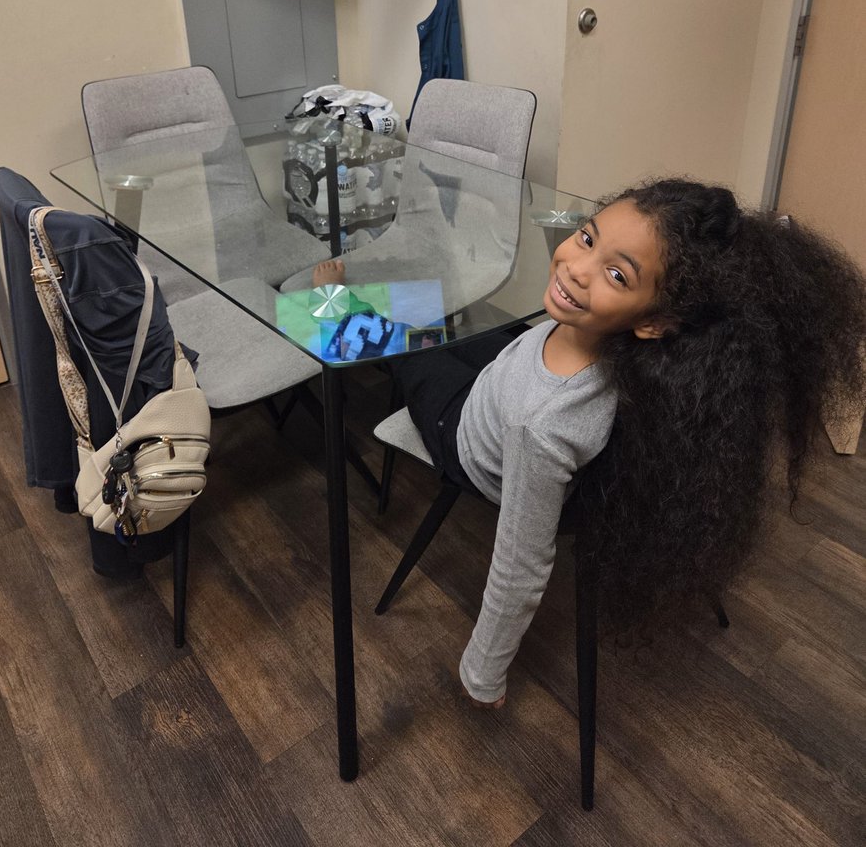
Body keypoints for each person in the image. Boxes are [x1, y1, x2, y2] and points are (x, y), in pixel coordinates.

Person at [312, 178, 866, 708]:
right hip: (507, 379)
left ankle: (326, 305)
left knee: (409, 349)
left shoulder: (541, 428)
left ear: (654, 322)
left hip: (464, 432)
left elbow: (520, 565)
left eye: (618, 276)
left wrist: (483, 671)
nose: (575, 269)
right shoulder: (630, 351)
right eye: (586, 236)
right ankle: (391, 309)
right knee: (437, 322)